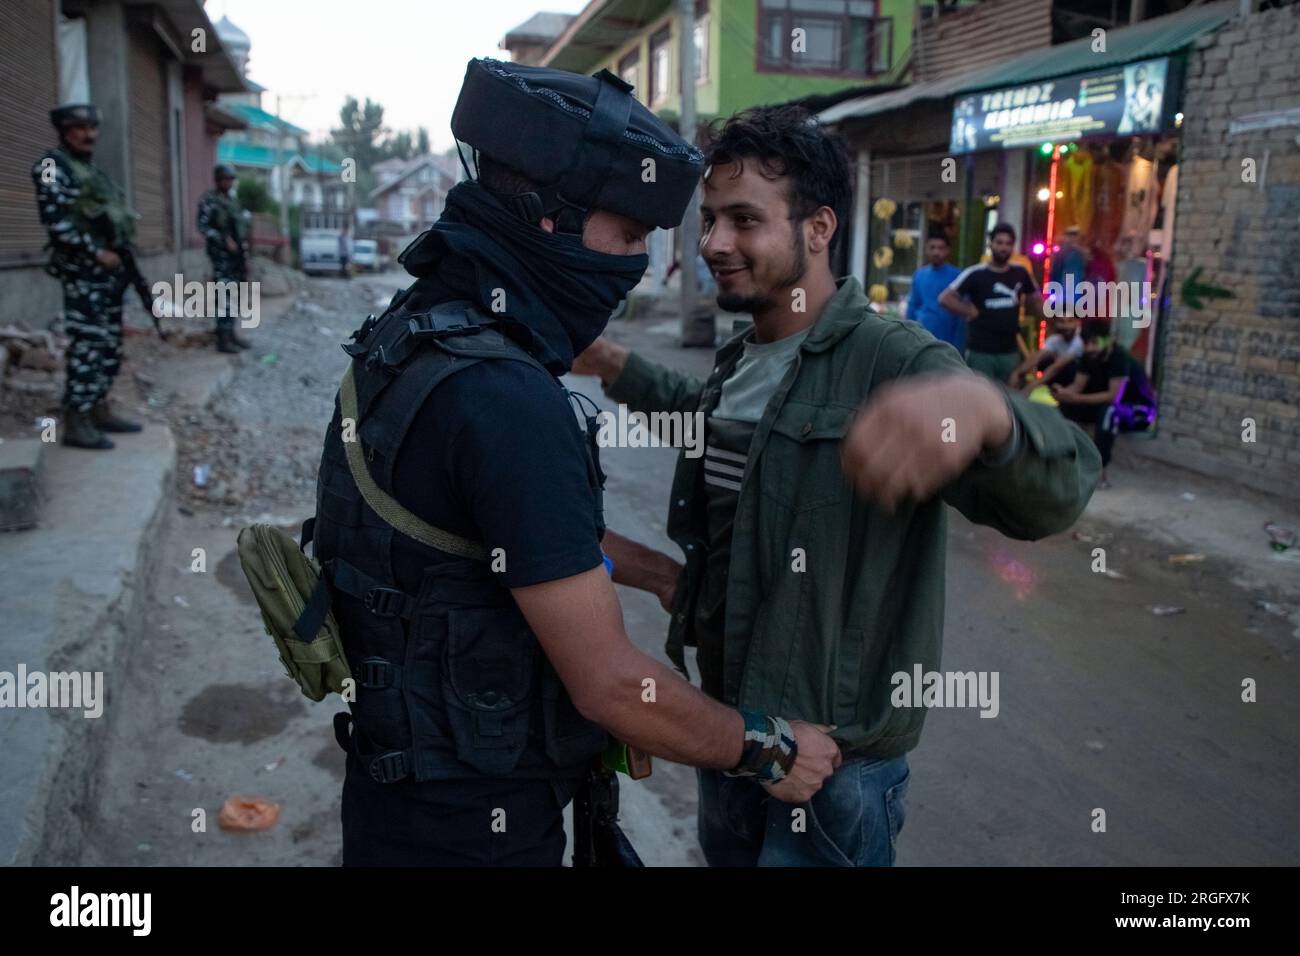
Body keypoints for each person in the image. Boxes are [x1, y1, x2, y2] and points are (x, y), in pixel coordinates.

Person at [310, 60, 841, 867]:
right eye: (628, 236)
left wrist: (657, 573)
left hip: (399, 794)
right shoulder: (505, 398)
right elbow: (613, 686)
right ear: (546, 219)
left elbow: (488, 543)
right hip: (474, 828)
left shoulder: (414, 329)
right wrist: (769, 749)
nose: (631, 266)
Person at [573, 106, 1099, 867]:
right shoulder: (743, 356)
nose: (715, 243)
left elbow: (1063, 488)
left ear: (817, 229)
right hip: (734, 740)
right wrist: (614, 363)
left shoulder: (895, 358)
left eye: (744, 220)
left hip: (831, 778)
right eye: (710, 219)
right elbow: (715, 427)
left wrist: (987, 413)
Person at [31, 103, 143, 450]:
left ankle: (97, 408)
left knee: (109, 344)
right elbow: (56, 221)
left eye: (93, 127)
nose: (89, 134)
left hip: (108, 275)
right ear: (64, 130)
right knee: (87, 346)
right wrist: (95, 252)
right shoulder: (50, 167)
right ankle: (76, 420)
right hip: (83, 272)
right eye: (80, 127)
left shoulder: (90, 171)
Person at [940, 222, 1043, 384]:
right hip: (980, 352)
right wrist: (968, 311)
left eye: (1008, 244)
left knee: (1008, 399)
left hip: (1009, 351)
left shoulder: (1020, 273)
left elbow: (1036, 300)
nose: (1003, 248)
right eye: (999, 243)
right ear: (991, 244)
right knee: (980, 399)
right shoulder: (976, 273)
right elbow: (945, 298)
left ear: (1013, 247)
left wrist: (1054, 319)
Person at [1052, 319, 1132, 487]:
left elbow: (1113, 396)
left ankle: (1100, 472)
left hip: (1118, 408)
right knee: (1060, 411)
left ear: (1108, 340)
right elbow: (1078, 385)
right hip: (1091, 402)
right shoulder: (1088, 355)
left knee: (1108, 413)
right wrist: (1063, 393)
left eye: (1094, 343)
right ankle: (1060, 465)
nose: (1090, 348)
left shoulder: (1119, 357)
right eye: (1086, 343)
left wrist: (1076, 398)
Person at [196, 163, 252, 353]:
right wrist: (222, 240)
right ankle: (222, 337)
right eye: (226, 179)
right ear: (218, 180)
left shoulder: (232, 202)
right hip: (221, 257)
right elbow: (203, 227)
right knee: (224, 295)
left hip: (236, 257)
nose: (229, 183)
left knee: (235, 294)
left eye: (231, 179)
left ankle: (231, 333)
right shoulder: (209, 200)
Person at [906, 234, 964, 352]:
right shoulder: (919, 275)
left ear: (948, 250)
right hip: (922, 336)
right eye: (932, 248)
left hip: (948, 339)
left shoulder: (958, 276)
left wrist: (959, 346)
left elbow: (961, 313)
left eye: (940, 248)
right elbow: (912, 306)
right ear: (926, 249)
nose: (936, 252)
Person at [1009, 313, 1082, 390]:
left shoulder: (1080, 340)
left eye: (1070, 321)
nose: (1066, 326)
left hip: (1081, 382)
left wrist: (1030, 388)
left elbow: (1057, 367)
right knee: (1047, 358)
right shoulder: (1055, 339)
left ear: (1077, 322)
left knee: (1067, 366)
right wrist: (1017, 373)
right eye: (1061, 322)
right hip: (1063, 378)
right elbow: (1037, 357)